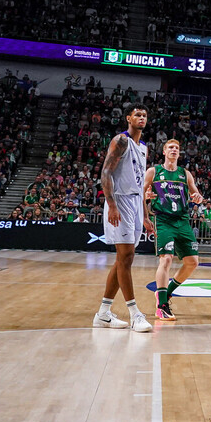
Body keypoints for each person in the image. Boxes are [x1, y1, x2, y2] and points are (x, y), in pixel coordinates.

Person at [91, 104, 153, 333]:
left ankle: (103, 313)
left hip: (136, 203)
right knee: (126, 257)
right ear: (128, 118)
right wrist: (112, 205)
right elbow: (105, 172)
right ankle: (135, 313)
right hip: (120, 201)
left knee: (122, 260)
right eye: (137, 114)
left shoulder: (143, 147)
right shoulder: (121, 140)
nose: (141, 118)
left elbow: (139, 182)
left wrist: (145, 214)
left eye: (145, 115)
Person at [143, 139, 205, 321]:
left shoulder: (185, 174)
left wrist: (198, 198)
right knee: (166, 259)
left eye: (177, 148)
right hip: (163, 220)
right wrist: (146, 216)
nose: (174, 150)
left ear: (179, 153)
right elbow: (142, 193)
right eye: (170, 147)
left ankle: (165, 293)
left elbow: (196, 194)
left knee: (192, 262)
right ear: (164, 151)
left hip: (183, 220)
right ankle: (162, 306)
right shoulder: (154, 171)